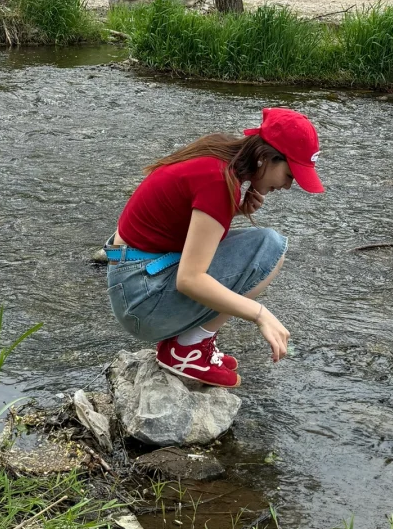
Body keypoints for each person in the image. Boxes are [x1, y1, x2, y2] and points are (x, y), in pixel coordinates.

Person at [105, 107, 323, 388]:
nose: (288, 186)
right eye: (290, 175)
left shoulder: (218, 155)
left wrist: (234, 211)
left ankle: (191, 342)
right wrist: (260, 314)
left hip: (134, 279)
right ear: (265, 158)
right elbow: (189, 280)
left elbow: (175, 222)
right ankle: (186, 351)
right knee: (269, 248)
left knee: (263, 243)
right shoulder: (220, 181)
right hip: (140, 299)